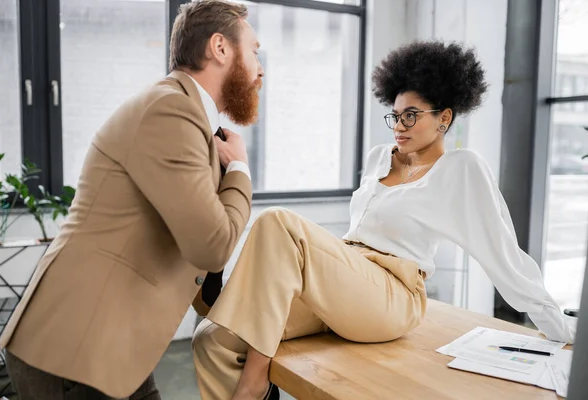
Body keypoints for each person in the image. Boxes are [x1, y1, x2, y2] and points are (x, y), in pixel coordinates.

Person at [191, 40, 576, 400]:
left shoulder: (460, 168)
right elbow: (356, 235)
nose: (400, 125)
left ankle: (254, 381)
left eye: (412, 115)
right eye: (395, 115)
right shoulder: (379, 157)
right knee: (213, 339)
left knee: (278, 221)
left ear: (444, 117)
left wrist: (562, 328)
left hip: (392, 294)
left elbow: (504, 254)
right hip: (349, 280)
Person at [0, 1, 263, 398]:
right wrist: (240, 169)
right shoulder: (172, 110)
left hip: (109, 342)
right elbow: (212, 245)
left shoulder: (184, 114)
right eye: (255, 51)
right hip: (78, 344)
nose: (261, 69)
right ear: (220, 48)